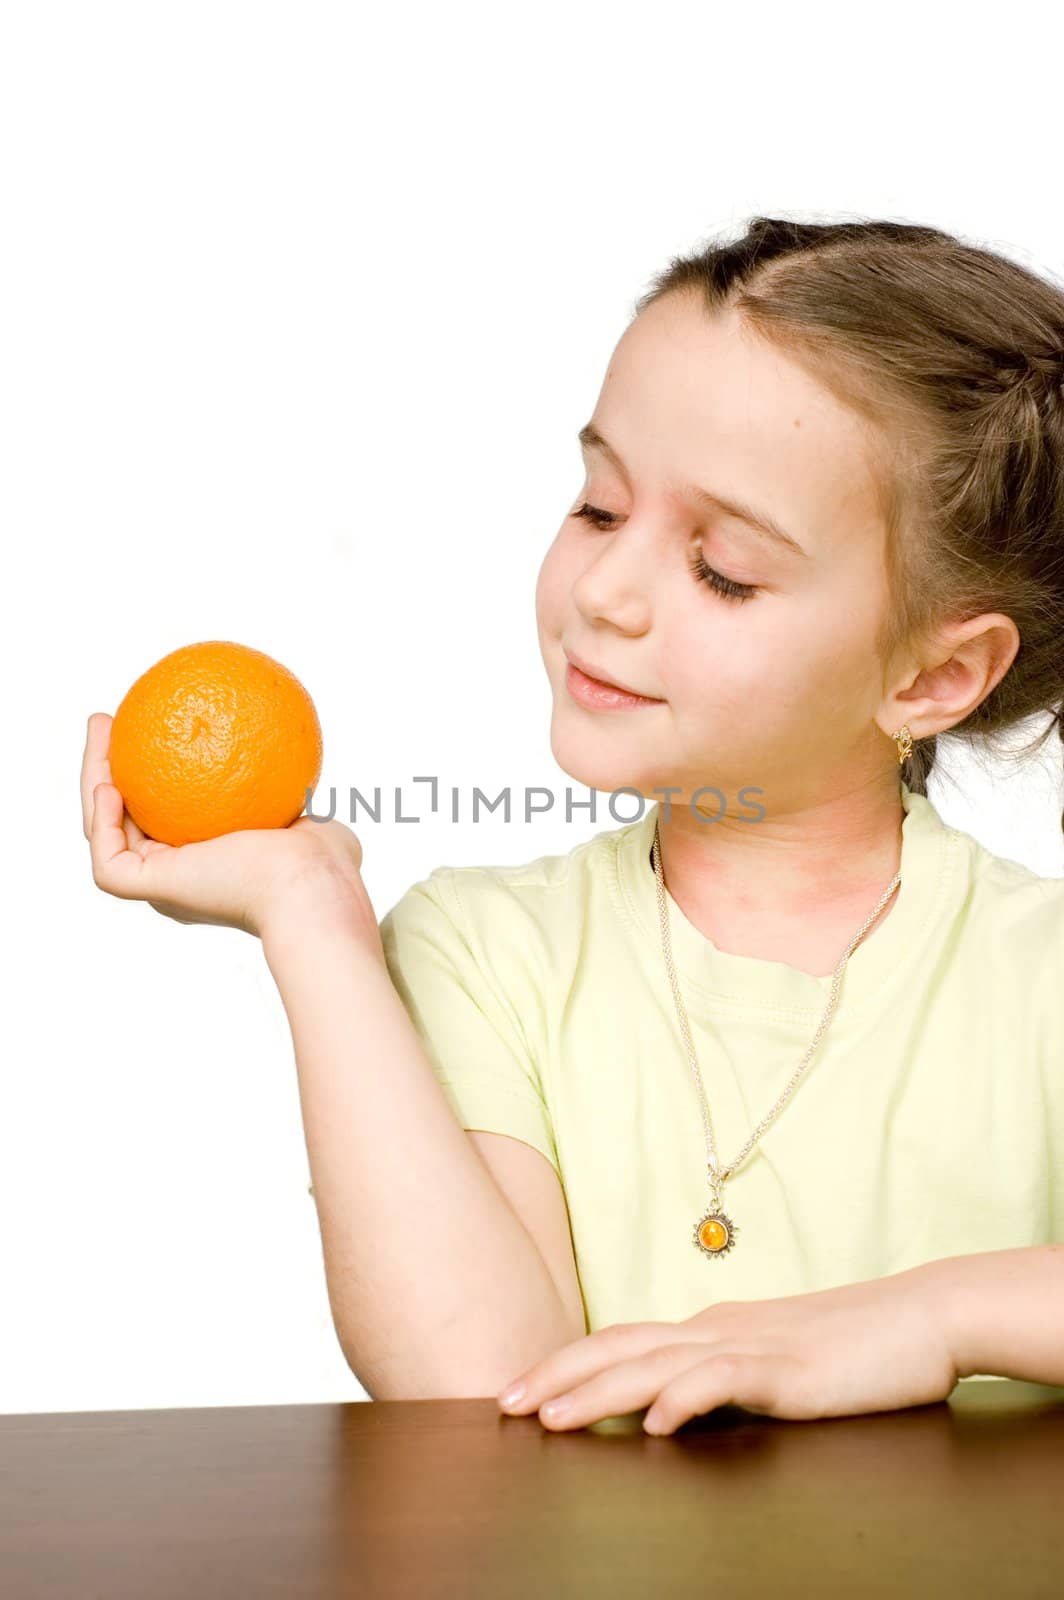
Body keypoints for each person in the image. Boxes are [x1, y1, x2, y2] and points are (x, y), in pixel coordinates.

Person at [83, 215, 1064, 1433]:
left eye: (721, 569)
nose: (601, 592)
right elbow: (476, 1373)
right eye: (600, 508)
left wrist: (929, 1316)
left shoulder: (1038, 975)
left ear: (929, 677)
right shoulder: (485, 950)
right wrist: (311, 918)